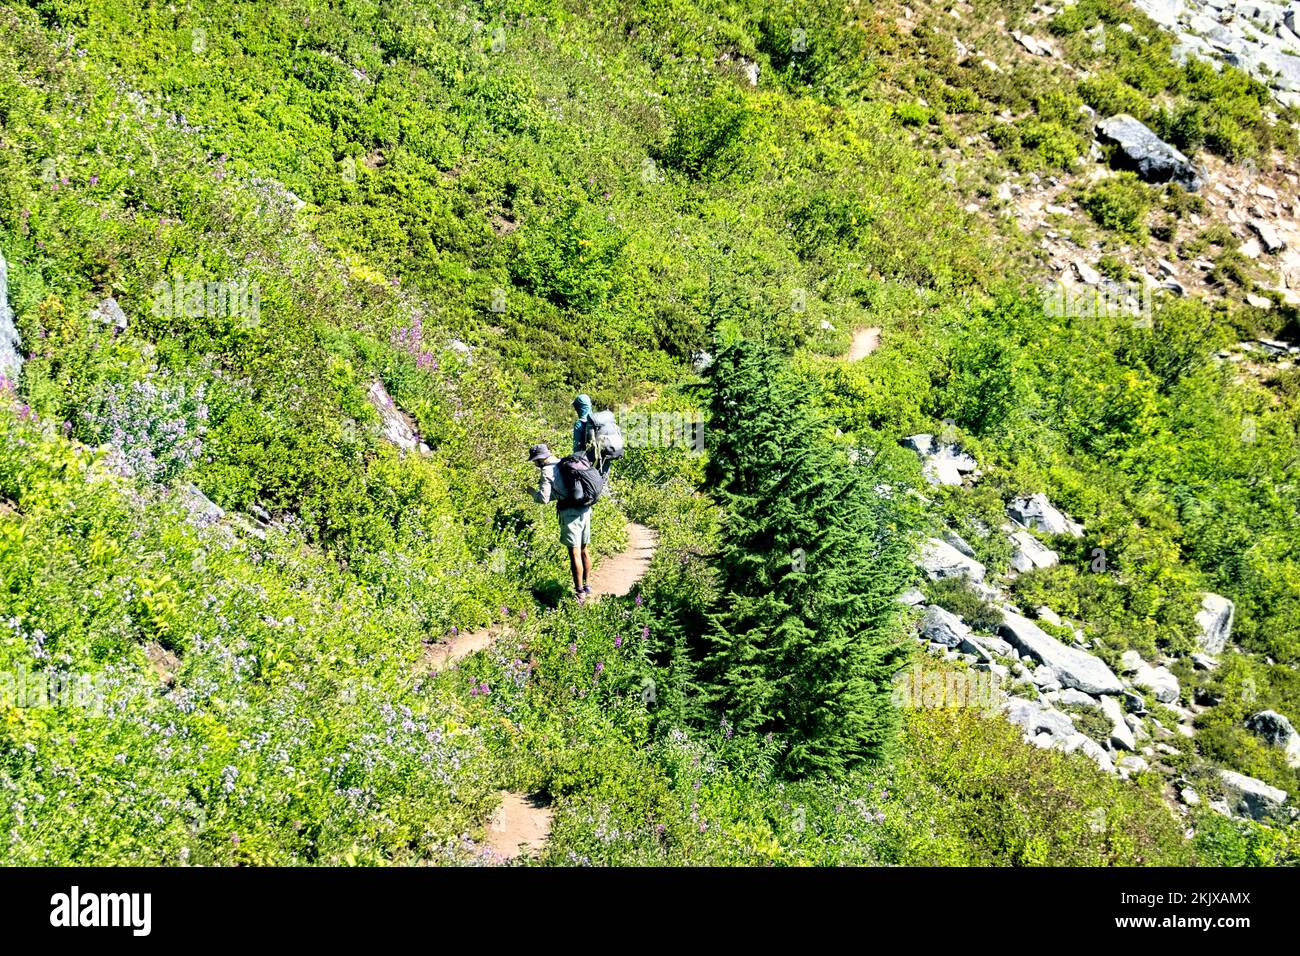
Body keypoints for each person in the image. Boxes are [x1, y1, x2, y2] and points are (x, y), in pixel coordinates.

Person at [529, 442, 593, 601]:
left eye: (535, 461)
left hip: (570, 515)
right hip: (585, 510)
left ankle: (579, 593)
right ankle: (587, 586)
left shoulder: (546, 471)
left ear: (539, 460)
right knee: (584, 550)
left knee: (574, 553)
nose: (535, 464)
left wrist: (530, 491)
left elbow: (543, 499)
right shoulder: (564, 463)